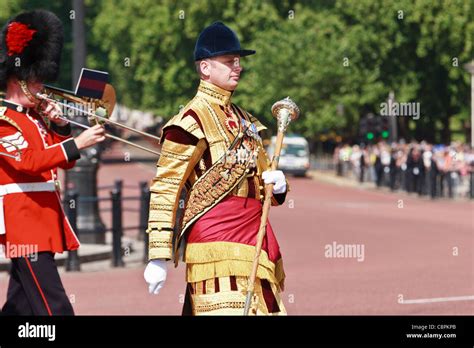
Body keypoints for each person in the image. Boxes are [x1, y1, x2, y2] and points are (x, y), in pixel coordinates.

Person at [144, 22, 289, 315]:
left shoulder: (246, 121)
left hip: (253, 239)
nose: (237, 67)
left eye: (238, 61)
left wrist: (277, 186)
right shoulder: (189, 121)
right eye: (228, 61)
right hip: (214, 240)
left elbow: (263, 191)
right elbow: (166, 187)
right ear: (205, 68)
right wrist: (158, 254)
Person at [0, 10, 105, 315]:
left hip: (42, 219)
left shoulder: (35, 120)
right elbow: (29, 162)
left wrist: (60, 127)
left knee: (19, 306)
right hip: (24, 224)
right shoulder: (5, 122)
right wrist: (77, 143)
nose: (42, 87)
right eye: (38, 81)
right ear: (20, 79)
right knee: (54, 306)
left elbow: (65, 163)